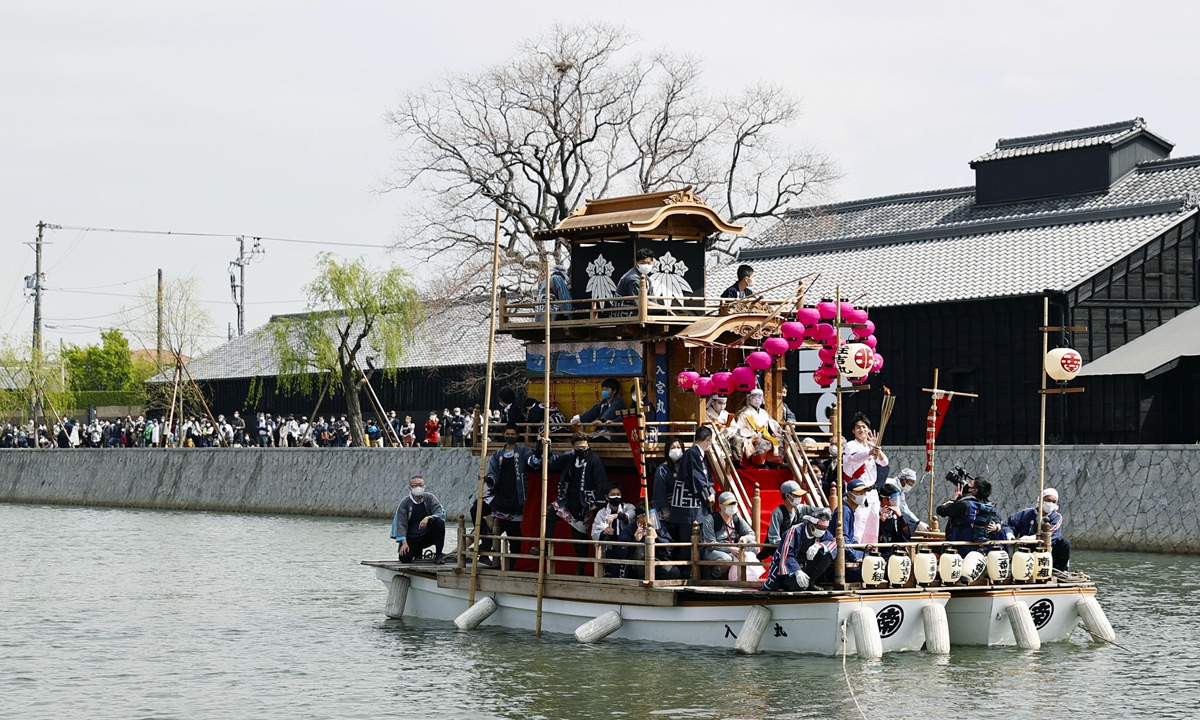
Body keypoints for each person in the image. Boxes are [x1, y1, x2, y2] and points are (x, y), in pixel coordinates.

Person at [544, 433, 609, 573]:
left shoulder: (594, 461)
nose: (581, 449)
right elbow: (552, 462)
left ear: (588, 445)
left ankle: (581, 568)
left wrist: (597, 504)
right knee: (549, 512)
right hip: (566, 501)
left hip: (585, 504)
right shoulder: (570, 456)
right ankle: (545, 545)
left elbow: (601, 482)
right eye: (578, 446)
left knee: (579, 539)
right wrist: (547, 446)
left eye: (583, 446)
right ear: (573, 447)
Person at [480, 423, 542, 566]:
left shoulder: (523, 451)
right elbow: (492, 474)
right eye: (507, 434)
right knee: (477, 509)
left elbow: (534, 462)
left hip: (515, 496)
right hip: (499, 494)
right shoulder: (498, 454)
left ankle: (512, 564)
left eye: (512, 434)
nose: (509, 436)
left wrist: (540, 445)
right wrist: (487, 479)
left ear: (517, 436)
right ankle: (485, 546)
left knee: (513, 533)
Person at [665, 426, 716, 577]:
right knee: (688, 541)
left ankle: (696, 571)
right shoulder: (692, 454)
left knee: (696, 539)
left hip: (695, 504)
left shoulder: (699, 455)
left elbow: (707, 478)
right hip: (688, 506)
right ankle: (687, 573)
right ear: (708, 440)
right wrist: (707, 495)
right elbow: (697, 479)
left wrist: (711, 491)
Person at [761, 507, 835, 591]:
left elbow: (832, 542)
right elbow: (787, 554)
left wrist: (819, 545)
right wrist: (797, 571)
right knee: (798, 586)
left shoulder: (823, 533)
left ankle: (811, 582)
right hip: (789, 569)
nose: (822, 531)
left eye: (824, 529)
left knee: (828, 553)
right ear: (811, 524)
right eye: (820, 528)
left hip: (806, 565)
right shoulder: (794, 532)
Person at [1005, 488, 1071, 571]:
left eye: (1054, 502)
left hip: (1050, 550)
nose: (1050, 503)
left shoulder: (1057, 517)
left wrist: (1033, 537)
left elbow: (1050, 531)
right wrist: (1009, 534)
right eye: (1048, 500)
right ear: (1041, 500)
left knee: (1065, 543)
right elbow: (1009, 524)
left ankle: (1060, 570)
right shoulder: (1026, 514)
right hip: (1027, 549)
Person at [614, 505, 681, 580]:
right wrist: (636, 541)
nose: (653, 519)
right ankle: (642, 577)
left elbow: (669, 545)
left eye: (654, 516)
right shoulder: (629, 529)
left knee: (674, 572)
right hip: (635, 565)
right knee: (641, 550)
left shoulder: (659, 527)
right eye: (650, 517)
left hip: (656, 560)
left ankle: (653, 578)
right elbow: (621, 551)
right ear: (640, 517)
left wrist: (657, 537)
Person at [390, 475, 447, 564]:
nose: (418, 488)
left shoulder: (429, 498)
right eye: (415, 485)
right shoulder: (405, 502)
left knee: (439, 523)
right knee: (404, 559)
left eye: (421, 485)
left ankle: (439, 555)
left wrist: (428, 518)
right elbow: (401, 523)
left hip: (427, 535)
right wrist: (404, 543)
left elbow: (439, 512)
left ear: (424, 487)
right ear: (410, 488)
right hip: (412, 538)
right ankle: (417, 553)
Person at [700, 492, 756, 580]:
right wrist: (729, 548)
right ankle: (715, 576)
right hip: (715, 550)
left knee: (753, 546)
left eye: (734, 503)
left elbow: (751, 534)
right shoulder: (710, 519)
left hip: (734, 547)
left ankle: (743, 575)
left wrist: (745, 538)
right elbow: (710, 544)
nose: (733, 506)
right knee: (726, 559)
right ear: (721, 506)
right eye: (729, 504)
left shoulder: (736, 517)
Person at [936, 476, 1002, 544]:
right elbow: (999, 523)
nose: (966, 484)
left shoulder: (964, 504)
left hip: (960, 547)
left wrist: (954, 499)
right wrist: (996, 527)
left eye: (970, 483)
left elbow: (940, 510)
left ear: (974, 490)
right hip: (981, 547)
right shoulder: (989, 507)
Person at [591, 482, 637, 577]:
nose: (616, 497)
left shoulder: (628, 507)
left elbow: (630, 515)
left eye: (618, 494)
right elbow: (595, 532)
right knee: (612, 572)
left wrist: (616, 516)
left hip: (626, 546)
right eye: (613, 495)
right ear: (607, 497)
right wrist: (604, 532)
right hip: (611, 547)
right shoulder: (602, 513)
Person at [734, 388, 783, 466]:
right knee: (761, 442)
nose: (757, 399)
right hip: (753, 435)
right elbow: (741, 427)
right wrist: (751, 434)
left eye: (759, 397)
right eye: (754, 397)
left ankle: (772, 460)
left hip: (765, 434)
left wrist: (779, 431)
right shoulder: (745, 413)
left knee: (780, 440)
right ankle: (760, 462)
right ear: (749, 399)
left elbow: (773, 423)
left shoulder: (764, 412)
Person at [613, 248, 657, 317]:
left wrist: (660, 307)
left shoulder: (646, 277)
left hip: (639, 308)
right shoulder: (633, 279)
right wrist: (661, 308)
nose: (646, 265)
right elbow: (639, 302)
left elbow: (652, 298)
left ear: (652, 263)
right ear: (637, 263)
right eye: (643, 263)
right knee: (662, 311)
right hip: (626, 311)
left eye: (648, 263)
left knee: (664, 311)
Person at [651, 438, 685, 524]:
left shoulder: (687, 466)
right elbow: (659, 491)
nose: (676, 450)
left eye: (678, 447)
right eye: (673, 448)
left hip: (685, 508)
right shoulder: (662, 469)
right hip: (670, 509)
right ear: (667, 450)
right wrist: (665, 510)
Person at [766, 480, 806, 547]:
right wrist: (788, 545)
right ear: (787, 495)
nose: (799, 498)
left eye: (800, 495)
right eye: (796, 495)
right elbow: (773, 538)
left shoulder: (798, 510)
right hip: (780, 549)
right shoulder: (777, 513)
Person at [876, 482, 911, 555]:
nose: (896, 502)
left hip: (896, 551)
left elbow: (906, 536)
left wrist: (901, 517)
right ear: (885, 500)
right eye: (894, 500)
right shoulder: (875, 513)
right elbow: (879, 537)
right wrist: (882, 521)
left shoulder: (896, 514)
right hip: (881, 551)